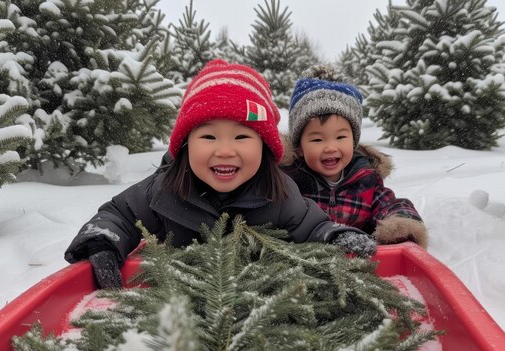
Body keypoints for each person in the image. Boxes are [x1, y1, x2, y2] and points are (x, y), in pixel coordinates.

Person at [64, 59, 377, 289]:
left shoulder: (279, 193)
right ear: (185, 146)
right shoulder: (163, 190)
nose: (225, 151)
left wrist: (336, 236)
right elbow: (119, 214)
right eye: (209, 137)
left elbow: (312, 226)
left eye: (242, 137)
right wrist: (102, 241)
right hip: (177, 298)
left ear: (265, 147)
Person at [280, 64, 428, 248]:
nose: (330, 147)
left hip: (358, 263)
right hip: (307, 263)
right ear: (300, 147)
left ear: (353, 141)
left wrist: (400, 226)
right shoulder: (289, 181)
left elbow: (388, 205)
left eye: (341, 137)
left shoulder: (365, 178)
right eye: (317, 139)